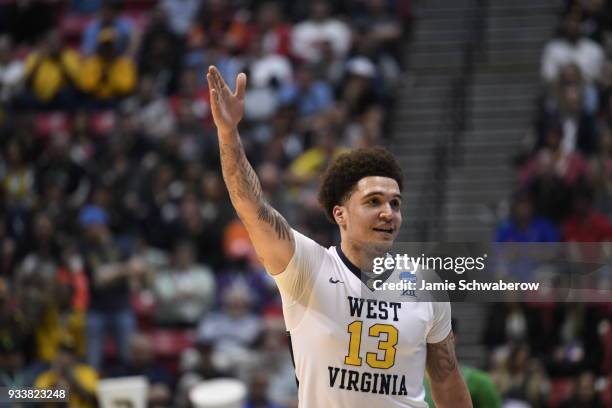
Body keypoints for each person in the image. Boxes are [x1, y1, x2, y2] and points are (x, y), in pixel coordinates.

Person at [206, 65, 472, 407]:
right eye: (373, 202)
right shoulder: (308, 267)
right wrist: (228, 134)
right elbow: (253, 208)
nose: (388, 212)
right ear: (340, 214)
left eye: (395, 203)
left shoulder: (425, 284)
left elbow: (447, 377)